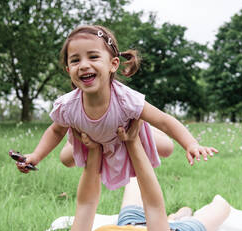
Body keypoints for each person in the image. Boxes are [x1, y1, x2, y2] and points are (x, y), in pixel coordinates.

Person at [16, 24, 218, 190]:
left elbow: (165, 120)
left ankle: (148, 128)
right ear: (69, 70)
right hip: (93, 136)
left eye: (93, 57)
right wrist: (35, 156)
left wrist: (191, 144)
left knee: (167, 148)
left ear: (113, 64)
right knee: (65, 159)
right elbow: (55, 130)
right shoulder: (68, 105)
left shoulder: (126, 100)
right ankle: (81, 130)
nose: (84, 65)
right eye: (76, 60)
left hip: (124, 133)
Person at [65, 120, 230, 231]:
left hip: (129, 224)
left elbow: (86, 203)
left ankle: (177, 216)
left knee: (134, 180)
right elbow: (153, 205)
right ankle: (178, 218)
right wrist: (133, 142)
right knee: (221, 205)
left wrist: (93, 149)